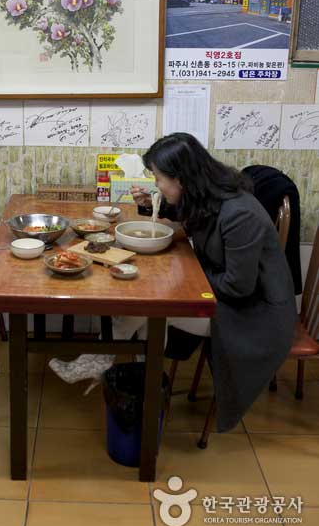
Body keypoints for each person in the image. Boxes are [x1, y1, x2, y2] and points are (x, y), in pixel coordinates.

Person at [50, 133, 297, 431]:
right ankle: (140, 378)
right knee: (145, 303)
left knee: (150, 306)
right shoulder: (210, 197)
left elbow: (238, 287)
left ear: (181, 178)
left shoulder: (240, 215)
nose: (157, 184)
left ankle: (120, 370)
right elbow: (190, 216)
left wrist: (186, 280)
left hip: (252, 315)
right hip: (227, 296)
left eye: (159, 178)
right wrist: (149, 205)